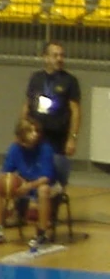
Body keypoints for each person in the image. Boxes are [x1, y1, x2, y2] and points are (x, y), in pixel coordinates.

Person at [0, 117, 60, 252]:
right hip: (24, 183)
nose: (35, 134)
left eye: (36, 131)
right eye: (30, 131)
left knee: (43, 191)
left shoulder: (45, 148)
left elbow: (47, 177)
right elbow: (5, 173)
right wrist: (11, 187)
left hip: (48, 184)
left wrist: (29, 186)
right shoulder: (14, 149)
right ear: (21, 134)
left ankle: (42, 234)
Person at [23, 41, 82, 185]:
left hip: (57, 137)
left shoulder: (70, 81)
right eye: (55, 55)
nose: (59, 59)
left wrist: (72, 138)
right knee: (31, 171)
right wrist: (22, 128)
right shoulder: (36, 78)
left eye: (61, 55)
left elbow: (75, 111)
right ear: (45, 57)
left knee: (52, 175)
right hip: (36, 133)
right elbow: (27, 105)